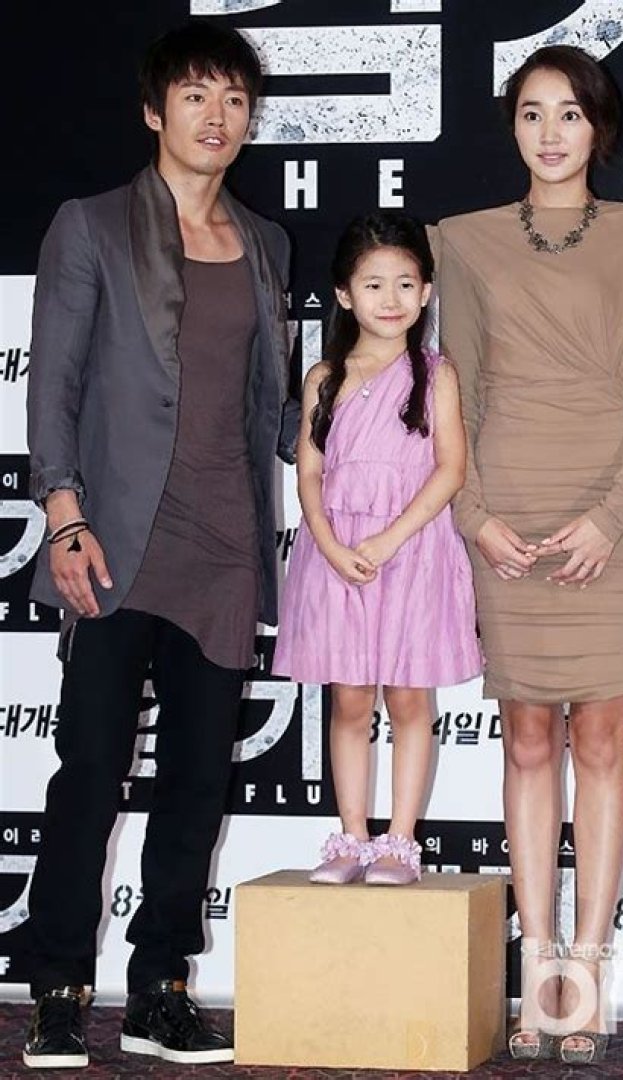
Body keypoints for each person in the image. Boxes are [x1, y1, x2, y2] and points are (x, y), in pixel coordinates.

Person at [23, 21, 292, 1070]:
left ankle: (161, 990)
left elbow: (270, 404)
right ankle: (56, 989)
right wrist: (64, 514)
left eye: (234, 99)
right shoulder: (89, 226)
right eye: (195, 95)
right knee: (90, 771)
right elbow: (54, 387)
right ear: (153, 110)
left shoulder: (265, 244)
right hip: (115, 544)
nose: (216, 116)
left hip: (225, 546)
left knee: (194, 782)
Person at [434, 45, 623, 1065]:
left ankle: (587, 972)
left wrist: (611, 517)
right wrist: (473, 515)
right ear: (512, 126)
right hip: (507, 509)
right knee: (528, 739)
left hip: (609, 514)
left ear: (599, 128)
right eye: (533, 113)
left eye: (570, 114)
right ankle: (537, 969)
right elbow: (456, 389)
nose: (550, 132)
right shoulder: (466, 242)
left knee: (604, 741)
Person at [273, 211, 482, 886]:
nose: (390, 299)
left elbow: (450, 469)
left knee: (409, 699)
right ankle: (351, 838)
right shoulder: (323, 377)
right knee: (350, 700)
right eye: (372, 285)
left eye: (405, 284)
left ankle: (400, 841)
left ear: (426, 292)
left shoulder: (437, 375)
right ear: (343, 294)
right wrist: (329, 543)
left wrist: (391, 538)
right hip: (338, 555)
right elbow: (309, 472)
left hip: (413, 552)